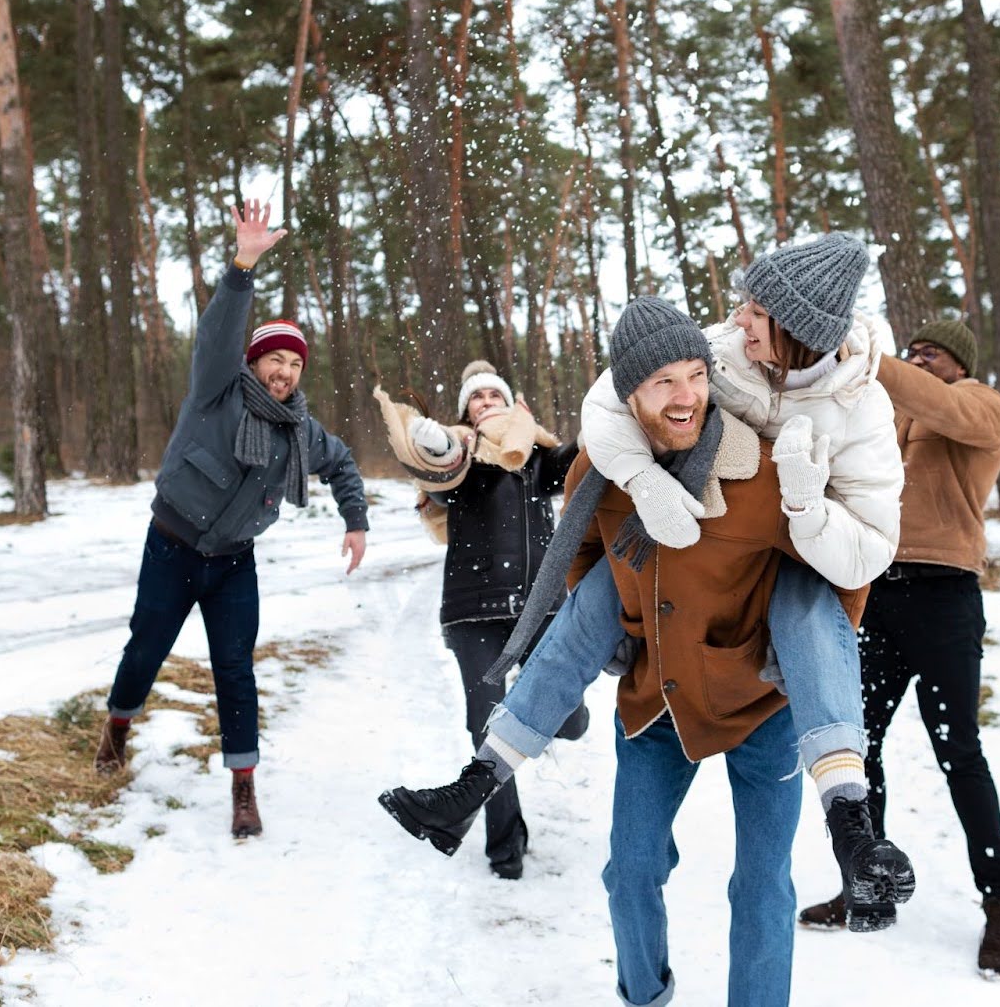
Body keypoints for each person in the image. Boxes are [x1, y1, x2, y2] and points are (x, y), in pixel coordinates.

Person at [381, 233, 915, 932]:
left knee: (809, 604)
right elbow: (612, 397)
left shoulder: (861, 411)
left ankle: (850, 819)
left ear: (795, 330)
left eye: (756, 310)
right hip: (681, 520)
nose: (738, 316)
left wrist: (807, 508)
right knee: (603, 587)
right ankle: (477, 782)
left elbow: (871, 549)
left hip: (793, 554)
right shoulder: (724, 348)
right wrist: (640, 480)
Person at [94, 200, 370, 840]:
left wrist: (354, 519)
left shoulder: (301, 431)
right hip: (171, 546)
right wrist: (243, 265)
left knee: (236, 670)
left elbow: (344, 463)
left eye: (296, 363)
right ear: (254, 362)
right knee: (146, 649)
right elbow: (219, 331)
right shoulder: (216, 390)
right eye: (276, 358)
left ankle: (243, 788)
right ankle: (117, 725)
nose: (285, 370)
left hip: (232, 562)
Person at [797, 318, 1000, 978]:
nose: (919, 361)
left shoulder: (981, 407)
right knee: (855, 746)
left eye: (932, 354)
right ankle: (867, 882)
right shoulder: (890, 419)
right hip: (880, 595)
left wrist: (877, 358)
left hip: (946, 598)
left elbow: (943, 405)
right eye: (914, 352)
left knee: (960, 753)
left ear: (959, 364)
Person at [392, 360, 588, 879]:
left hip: (541, 609)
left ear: (510, 402)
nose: (484, 402)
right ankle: (506, 843)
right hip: (472, 613)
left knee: (571, 720)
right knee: (487, 729)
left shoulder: (534, 453)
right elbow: (438, 485)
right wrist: (437, 450)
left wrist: (591, 425)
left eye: (492, 394)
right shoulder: (457, 457)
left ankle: (541, 720)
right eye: (475, 398)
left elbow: (574, 466)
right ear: (467, 412)